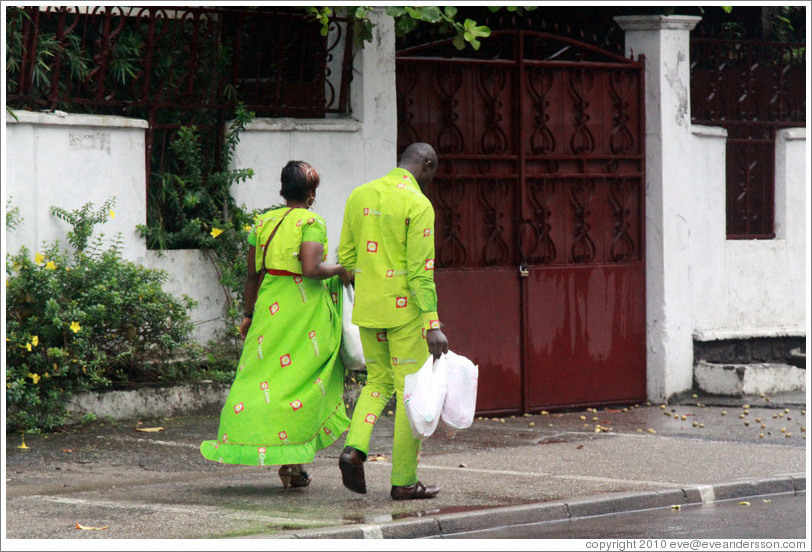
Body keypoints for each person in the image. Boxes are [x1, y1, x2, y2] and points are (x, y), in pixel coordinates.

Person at [200, 161, 351, 488]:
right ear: (310, 193)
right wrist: (340, 270)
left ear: (283, 190)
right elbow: (311, 268)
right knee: (301, 383)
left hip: (270, 306)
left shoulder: (262, 222)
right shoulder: (312, 222)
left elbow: (252, 274)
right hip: (303, 312)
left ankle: (288, 463)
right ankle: (292, 462)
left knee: (263, 379)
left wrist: (248, 314)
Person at [336, 142, 449, 500]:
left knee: (377, 383)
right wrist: (432, 323)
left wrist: (371, 288)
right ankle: (403, 481)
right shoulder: (418, 204)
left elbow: (347, 258)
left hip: (369, 310)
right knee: (407, 392)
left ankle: (353, 449)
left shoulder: (359, 194)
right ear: (427, 167)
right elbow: (420, 272)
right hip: (405, 314)